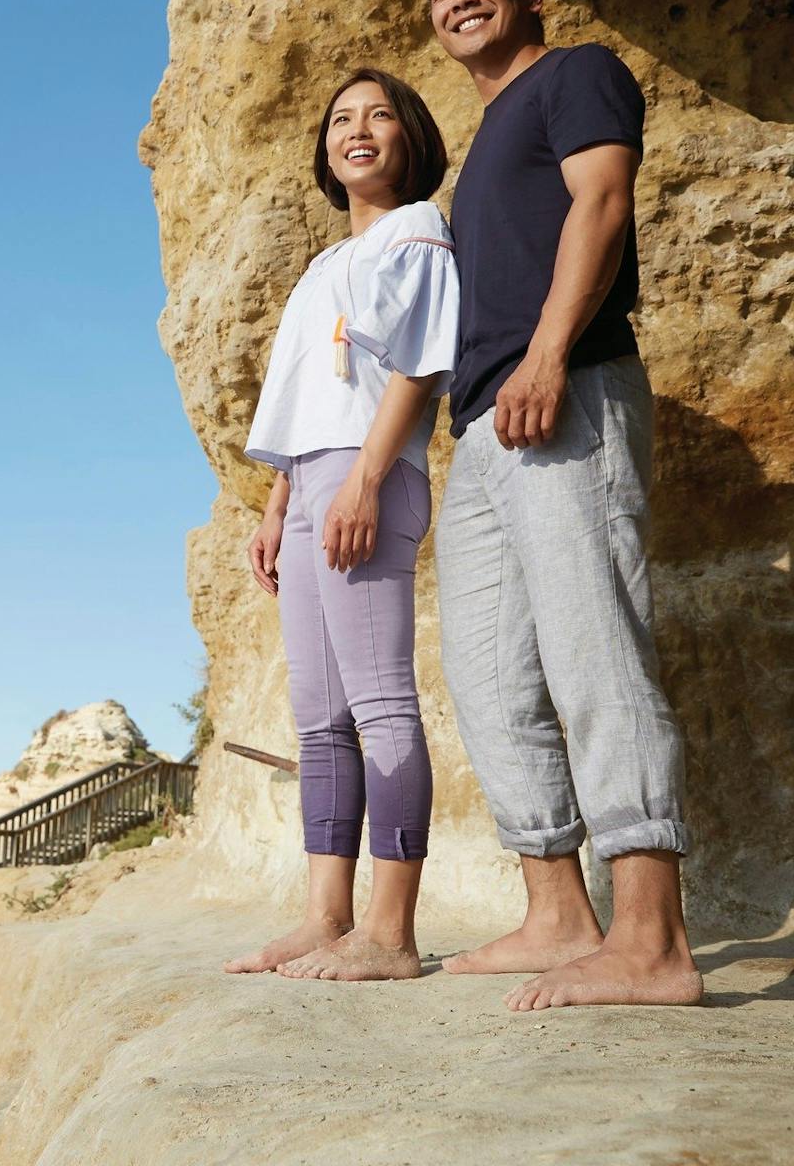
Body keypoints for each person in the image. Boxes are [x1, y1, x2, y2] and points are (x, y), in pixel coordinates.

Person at [423, 0, 701, 1010]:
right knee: (489, 677)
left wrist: (545, 354)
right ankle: (555, 914)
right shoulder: (486, 134)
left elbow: (602, 201)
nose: (459, 0)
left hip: (566, 387)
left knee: (595, 652)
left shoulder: (575, 75)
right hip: (485, 426)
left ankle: (652, 942)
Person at [225, 67, 458, 982]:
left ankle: (392, 934)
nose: (356, 131)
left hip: (371, 476)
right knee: (320, 719)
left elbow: (418, 369)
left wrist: (363, 481)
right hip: (309, 487)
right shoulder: (324, 265)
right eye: (340, 121)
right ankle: (327, 916)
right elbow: (302, 399)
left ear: (411, 136)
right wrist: (278, 503)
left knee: (380, 702)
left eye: (379, 116)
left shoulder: (419, 230)